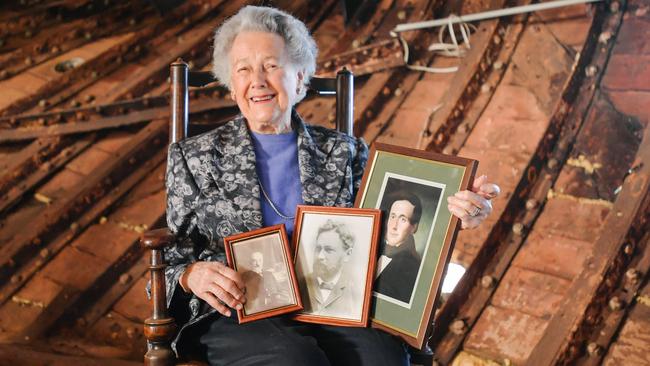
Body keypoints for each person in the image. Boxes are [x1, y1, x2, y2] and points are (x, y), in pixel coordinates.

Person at [163, 5, 500, 365]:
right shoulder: (192, 156)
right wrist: (190, 276)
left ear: (300, 78)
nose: (257, 80)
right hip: (238, 308)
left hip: (332, 303)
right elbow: (171, 256)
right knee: (295, 358)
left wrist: (456, 215)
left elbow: (385, 230)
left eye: (272, 65)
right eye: (243, 69)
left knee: (384, 357)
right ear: (232, 87)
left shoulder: (345, 150)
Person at [300, 220, 359, 318]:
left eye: (329, 250)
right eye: (318, 249)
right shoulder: (300, 284)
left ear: (347, 254)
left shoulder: (356, 291)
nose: (320, 256)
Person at [374, 191, 422, 303]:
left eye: (403, 219)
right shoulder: (369, 244)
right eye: (393, 216)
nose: (394, 226)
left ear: (413, 227)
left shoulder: (413, 269)